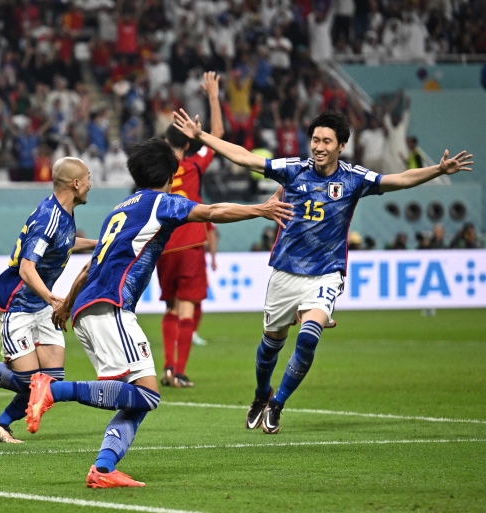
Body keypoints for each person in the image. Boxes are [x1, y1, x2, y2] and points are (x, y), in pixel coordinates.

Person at [0, 137, 294, 488]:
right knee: (147, 394)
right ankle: (52, 391)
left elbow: (90, 266)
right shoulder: (161, 203)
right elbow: (211, 212)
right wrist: (260, 209)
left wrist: (68, 303)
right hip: (111, 307)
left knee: (138, 398)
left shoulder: (119, 210)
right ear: (170, 173)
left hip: (91, 308)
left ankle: (103, 470)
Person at [172, 108, 474, 434]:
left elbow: (397, 180)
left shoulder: (353, 178)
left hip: (327, 272)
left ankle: (278, 403)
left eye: (326, 141)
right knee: (270, 345)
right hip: (286, 271)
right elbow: (245, 158)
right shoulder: (293, 170)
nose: (318, 146)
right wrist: (201, 136)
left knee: (308, 337)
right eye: (315, 139)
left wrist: (438, 170)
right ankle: (262, 394)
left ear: (340, 145)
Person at [0, 157, 97, 444]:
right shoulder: (48, 218)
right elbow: (27, 268)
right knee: (30, 383)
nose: (91, 183)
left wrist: (98, 244)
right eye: (88, 178)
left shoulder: (62, 214)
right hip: (16, 305)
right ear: (75, 183)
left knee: (50, 382)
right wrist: (55, 300)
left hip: (41, 306)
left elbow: (64, 242)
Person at [157, 72, 223, 388]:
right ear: (187, 142)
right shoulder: (194, 165)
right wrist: (212, 94)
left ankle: (167, 368)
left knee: (170, 307)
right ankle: (179, 371)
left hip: (163, 247)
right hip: (190, 245)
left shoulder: (157, 170)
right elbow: (219, 134)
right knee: (186, 308)